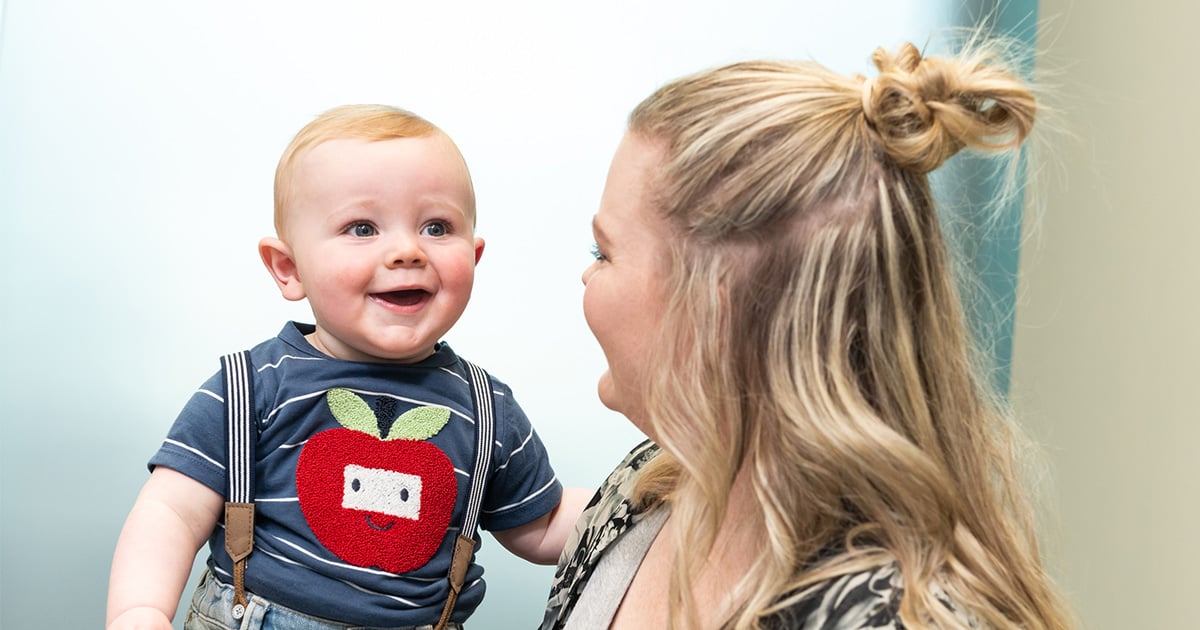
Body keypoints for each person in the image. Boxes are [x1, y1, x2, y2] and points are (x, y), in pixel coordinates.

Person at [542, 39, 1074, 630]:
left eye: (605, 252)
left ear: (711, 312)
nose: (587, 275)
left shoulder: (895, 619)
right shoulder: (639, 493)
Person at [107, 104, 588, 630]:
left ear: (473, 257)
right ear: (289, 269)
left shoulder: (486, 411)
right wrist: (141, 612)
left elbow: (543, 526)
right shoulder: (251, 388)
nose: (406, 250)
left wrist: (660, 495)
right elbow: (171, 512)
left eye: (436, 226)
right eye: (362, 228)